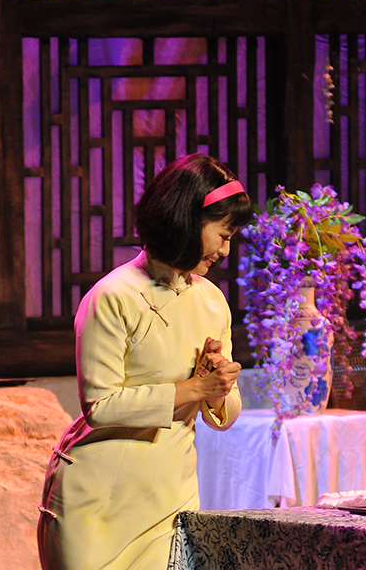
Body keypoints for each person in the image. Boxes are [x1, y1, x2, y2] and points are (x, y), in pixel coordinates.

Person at [37, 153, 253, 570]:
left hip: (170, 497)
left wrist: (216, 389)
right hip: (96, 502)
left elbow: (224, 413)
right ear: (187, 220)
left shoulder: (211, 301)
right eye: (223, 235)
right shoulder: (113, 296)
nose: (226, 250)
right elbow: (100, 406)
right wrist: (194, 387)